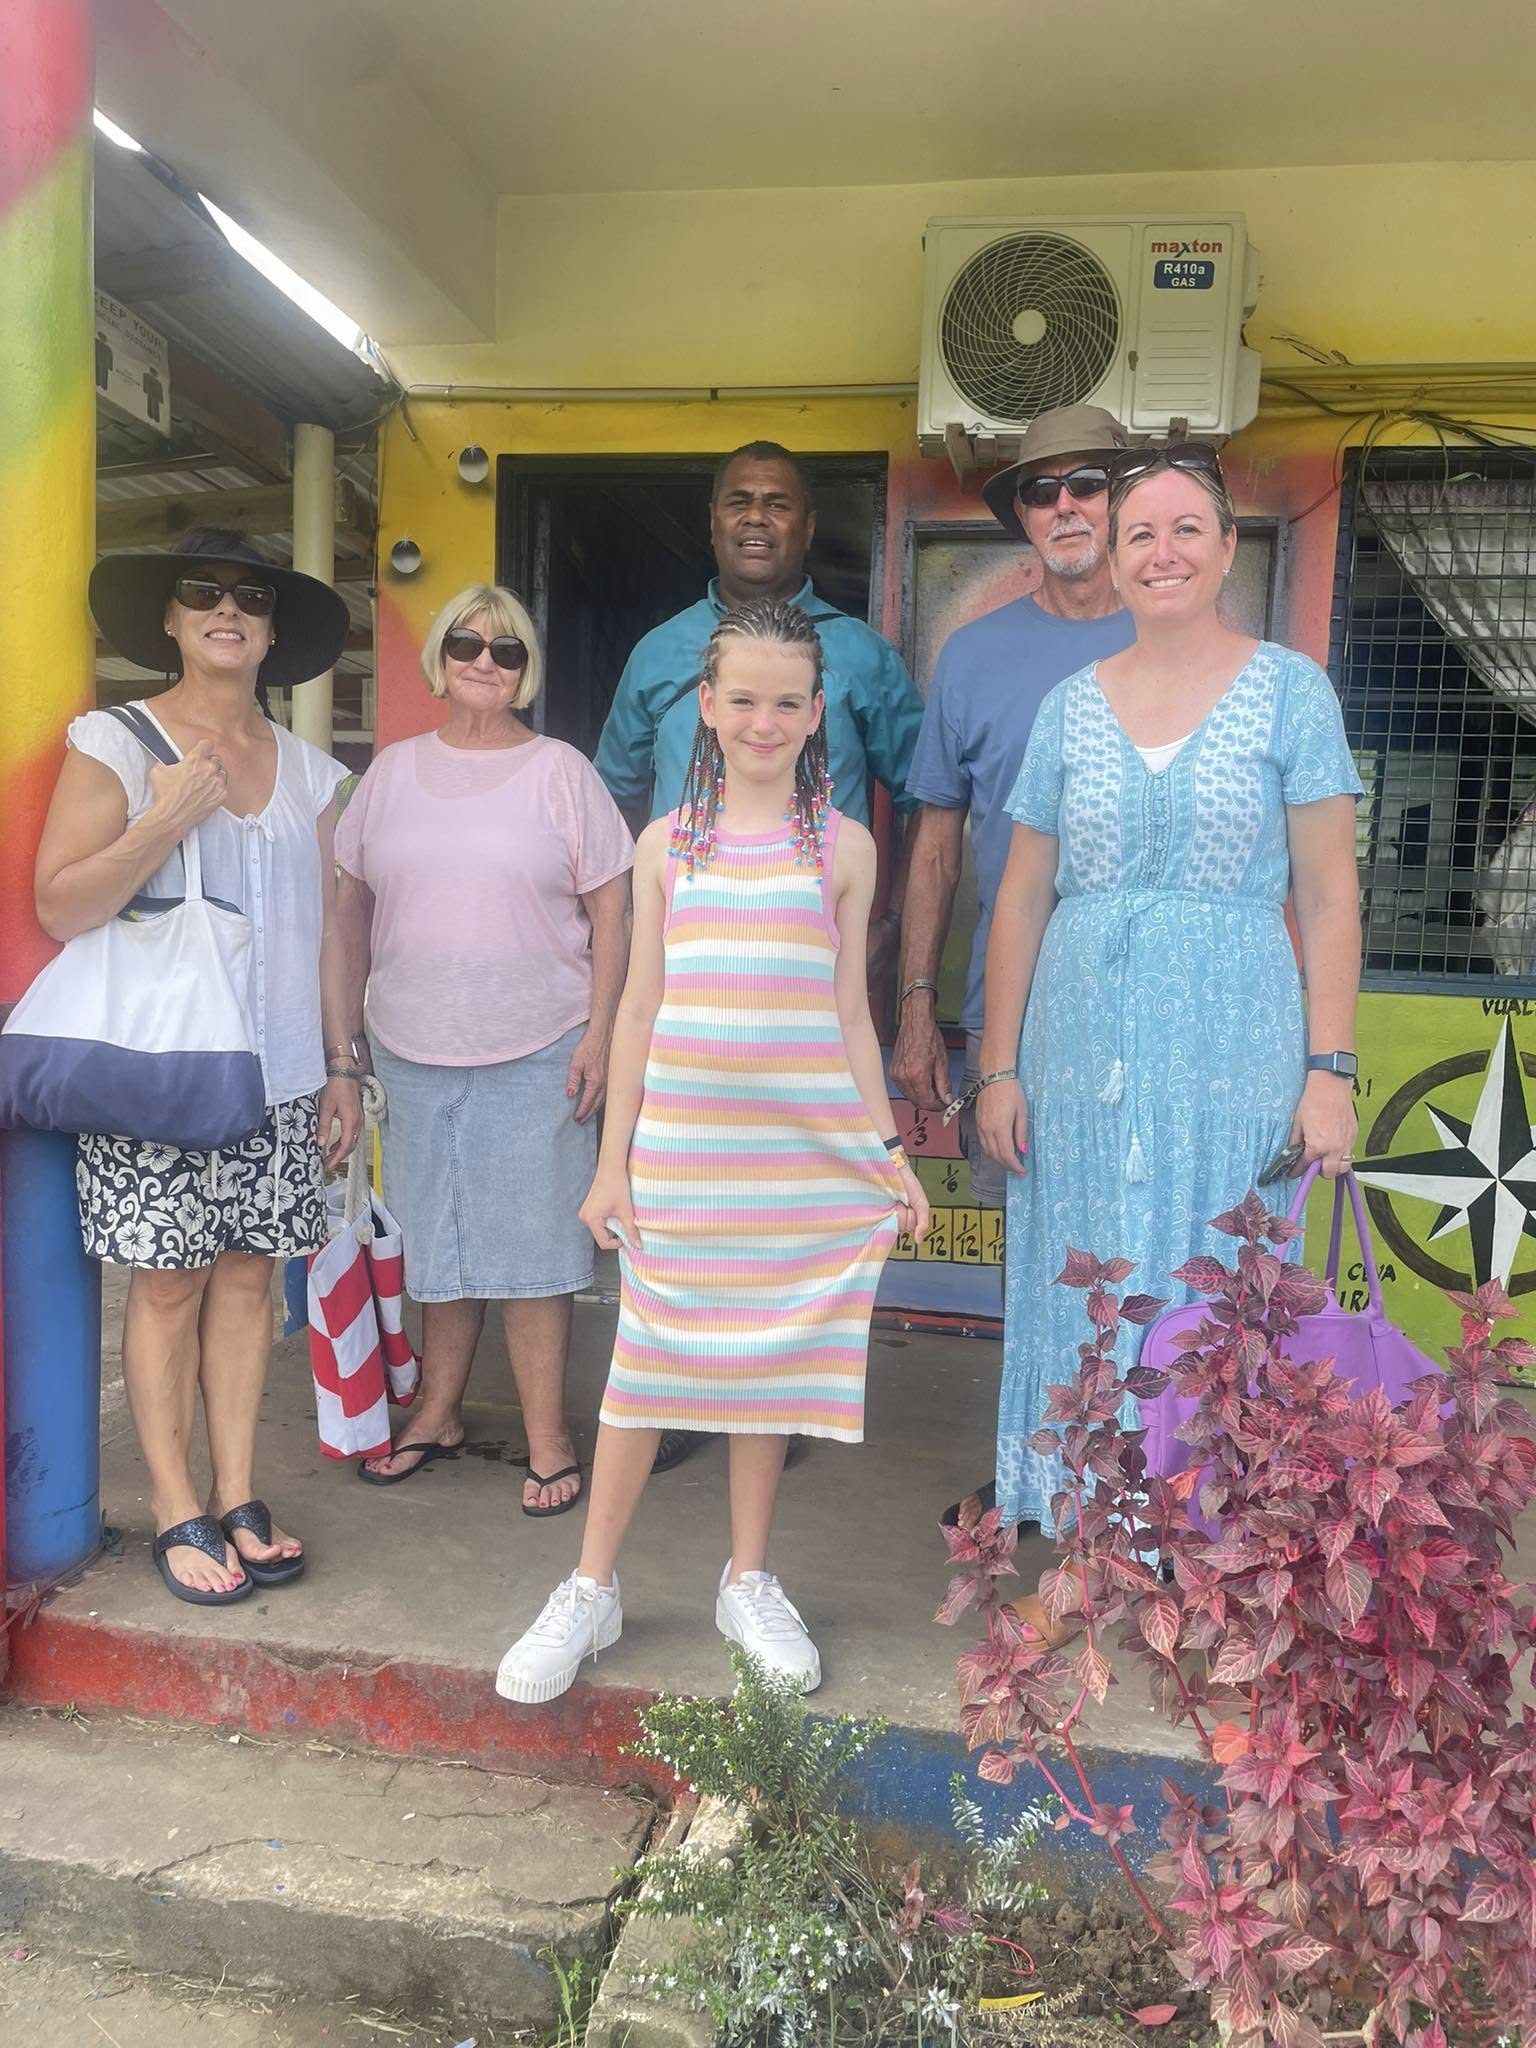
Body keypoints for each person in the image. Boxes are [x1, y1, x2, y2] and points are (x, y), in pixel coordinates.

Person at [495, 598, 929, 1704]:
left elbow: (850, 1016)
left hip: (797, 1152)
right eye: (743, 698)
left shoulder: (847, 846)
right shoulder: (662, 845)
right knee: (646, 1367)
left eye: (788, 700)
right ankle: (591, 1586)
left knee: (766, 1370)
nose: (765, 719)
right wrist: (611, 1163)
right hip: (684, 1152)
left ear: (818, 709)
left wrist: (887, 1150)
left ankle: (750, 1576)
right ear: (706, 705)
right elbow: (638, 1007)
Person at [975, 444, 1362, 1580]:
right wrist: (998, 1065)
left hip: (1235, 1034)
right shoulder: (1065, 708)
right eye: (1140, 532)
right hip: (1078, 1036)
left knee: (1212, 1251)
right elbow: (1021, 895)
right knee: (1088, 1258)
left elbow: (1332, 890)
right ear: (1115, 552)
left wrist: (1330, 1065)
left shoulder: (1292, 689)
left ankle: (1214, 1525)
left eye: (1188, 528)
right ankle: (1096, 1523)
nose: (1162, 552)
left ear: (1230, 547)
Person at [35, 527, 358, 1605]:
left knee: (253, 1280)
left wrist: (342, 1066)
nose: (227, 608)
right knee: (168, 1285)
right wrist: (165, 816)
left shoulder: (314, 776)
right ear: (170, 618)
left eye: (249, 596)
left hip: (279, 1075)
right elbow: (62, 901)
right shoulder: (115, 742)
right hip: (164, 1069)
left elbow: (325, 935)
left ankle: (238, 1491)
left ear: (271, 630)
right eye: (201, 591)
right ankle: (176, 1504)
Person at [595, 439, 925, 1474]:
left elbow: (919, 804)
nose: (756, 518)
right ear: (711, 519)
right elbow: (613, 794)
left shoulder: (863, 656)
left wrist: (889, 942)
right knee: (688, 1219)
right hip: (690, 982)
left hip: (811, 977)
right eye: (737, 500)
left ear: (807, 525)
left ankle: (770, 1400)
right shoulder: (659, 652)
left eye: (778, 503)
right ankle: (688, 1396)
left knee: (780, 1215)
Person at [334, 585, 634, 1514]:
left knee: (537, 1246)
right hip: (413, 1045)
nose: (484, 662)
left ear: (525, 669)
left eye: (506, 652)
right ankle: (437, 1412)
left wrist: (602, 1030)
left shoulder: (561, 771)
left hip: (539, 1041)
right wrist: (345, 1052)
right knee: (437, 1241)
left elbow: (613, 912)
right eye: (467, 643)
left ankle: (548, 1437)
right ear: (439, 655)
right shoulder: (388, 773)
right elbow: (348, 916)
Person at [891, 403, 1134, 1527]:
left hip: (1151, 1004)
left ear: (1126, 497)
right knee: (1031, 1248)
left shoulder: (1183, 643)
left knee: (1150, 1242)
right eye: (1043, 491)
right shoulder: (976, 656)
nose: (1067, 505)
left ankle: (1146, 1486)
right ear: (1022, 518)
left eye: (1089, 483)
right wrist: (916, 1003)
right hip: (1014, 1018)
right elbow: (936, 840)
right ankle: (1042, 1469)